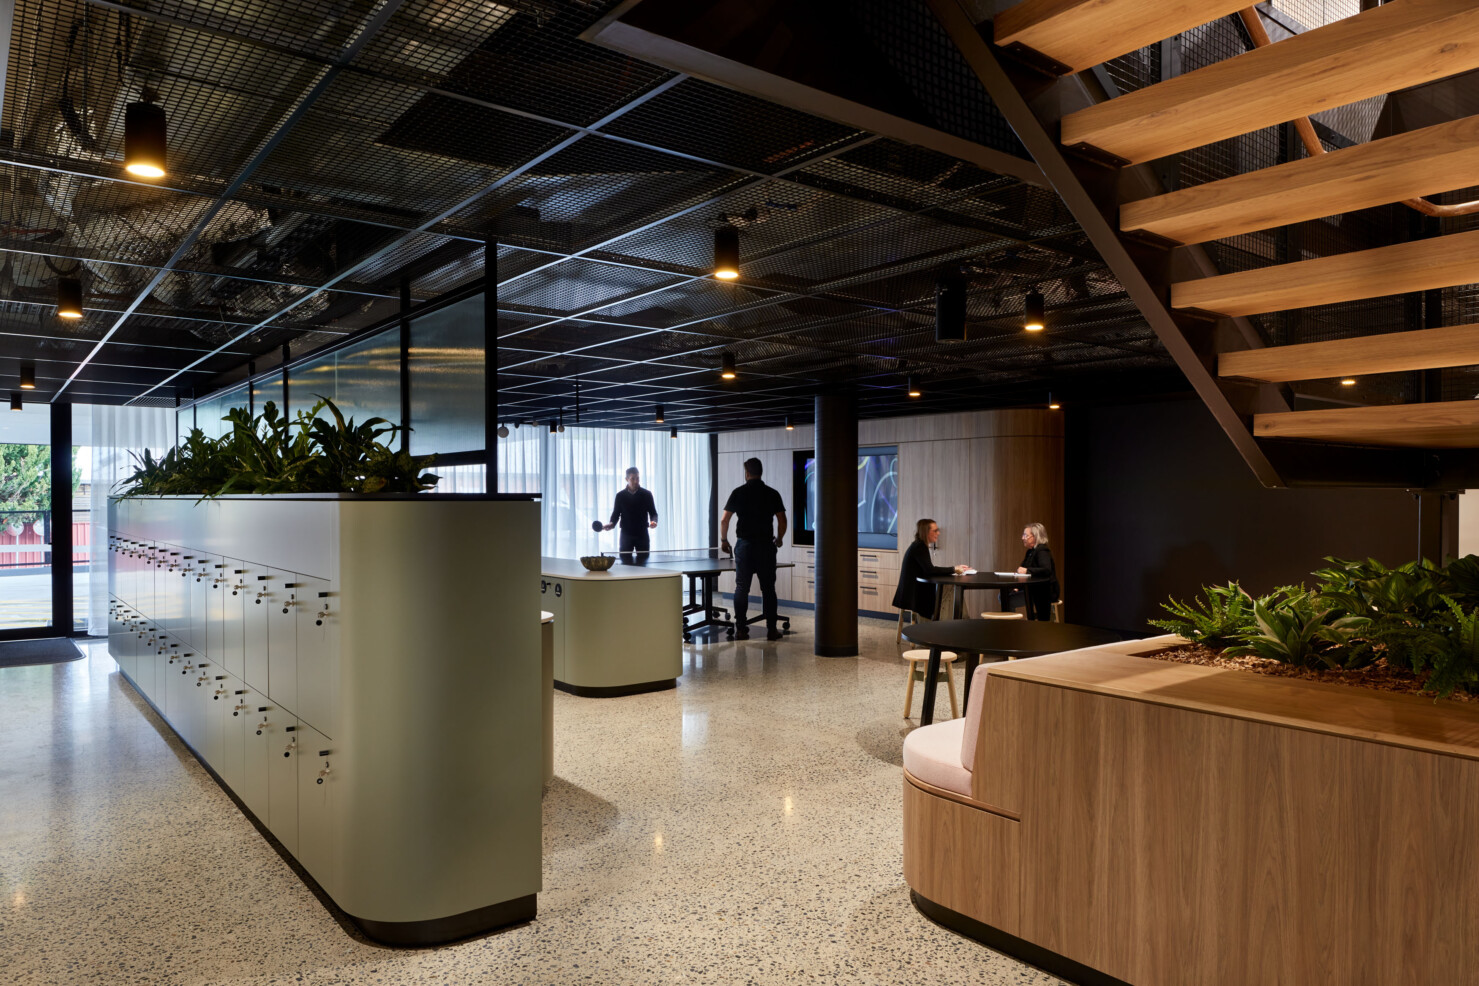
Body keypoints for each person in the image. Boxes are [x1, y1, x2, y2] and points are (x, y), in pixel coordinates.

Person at [719, 458, 787, 640]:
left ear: (746, 473)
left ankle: (741, 629)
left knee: (742, 587)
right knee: (768, 589)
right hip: (766, 546)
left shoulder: (738, 492)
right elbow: (782, 520)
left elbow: (725, 520)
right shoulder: (772, 493)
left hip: (745, 546)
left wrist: (724, 540)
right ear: (761, 472)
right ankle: (772, 630)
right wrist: (779, 539)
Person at [892, 518, 969, 620]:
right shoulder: (919, 547)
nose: (939, 533)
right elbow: (930, 570)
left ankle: (953, 622)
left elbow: (928, 569)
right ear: (926, 532)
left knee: (948, 588)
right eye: (935, 530)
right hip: (914, 593)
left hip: (912, 590)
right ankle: (956, 622)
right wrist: (954, 569)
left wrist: (953, 569)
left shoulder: (918, 545)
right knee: (951, 588)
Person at [1000, 522, 1059, 621]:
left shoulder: (1042, 551)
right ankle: (1011, 627)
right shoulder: (1030, 552)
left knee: (1007, 600)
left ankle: (1011, 628)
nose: (1022, 538)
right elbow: (1022, 571)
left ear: (1035, 537)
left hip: (1044, 591)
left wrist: (1027, 570)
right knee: (1003, 596)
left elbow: (1046, 570)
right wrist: (1017, 586)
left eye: (1025, 535)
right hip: (1032, 589)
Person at [604, 467, 658, 556]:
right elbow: (616, 513)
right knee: (625, 563)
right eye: (633, 478)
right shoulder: (620, 495)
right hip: (626, 534)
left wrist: (654, 521)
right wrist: (611, 524)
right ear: (627, 479)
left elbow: (653, 513)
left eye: (637, 478)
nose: (636, 481)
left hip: (642, 534)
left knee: (644, 563)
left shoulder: (647, 494)